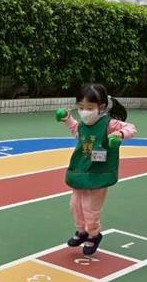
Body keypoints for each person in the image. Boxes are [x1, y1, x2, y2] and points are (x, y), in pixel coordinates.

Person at [56, 84, 137, 255]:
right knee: (75, 205)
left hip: (99, 172)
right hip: (82, 169)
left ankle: (93, 235)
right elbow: (76, 130)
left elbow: (131, 128)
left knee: (90, 207)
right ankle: (82, 231)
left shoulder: (108, 124)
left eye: (89, 108)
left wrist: (120, 134)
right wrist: (67, 119)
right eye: (81, 107)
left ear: (101, 107)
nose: (84, 112)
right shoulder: (83, 125)